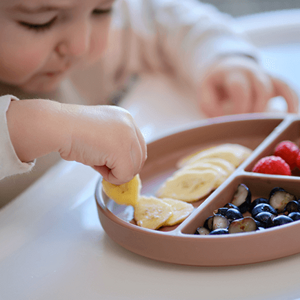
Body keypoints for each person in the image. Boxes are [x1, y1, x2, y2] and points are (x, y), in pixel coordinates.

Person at [0, 0, 298, 206]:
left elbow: (160, 15)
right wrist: (33, 125)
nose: (81, 45)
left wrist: (221, 56)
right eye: (39, 22)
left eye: (102, 10)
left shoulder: (92, 35)